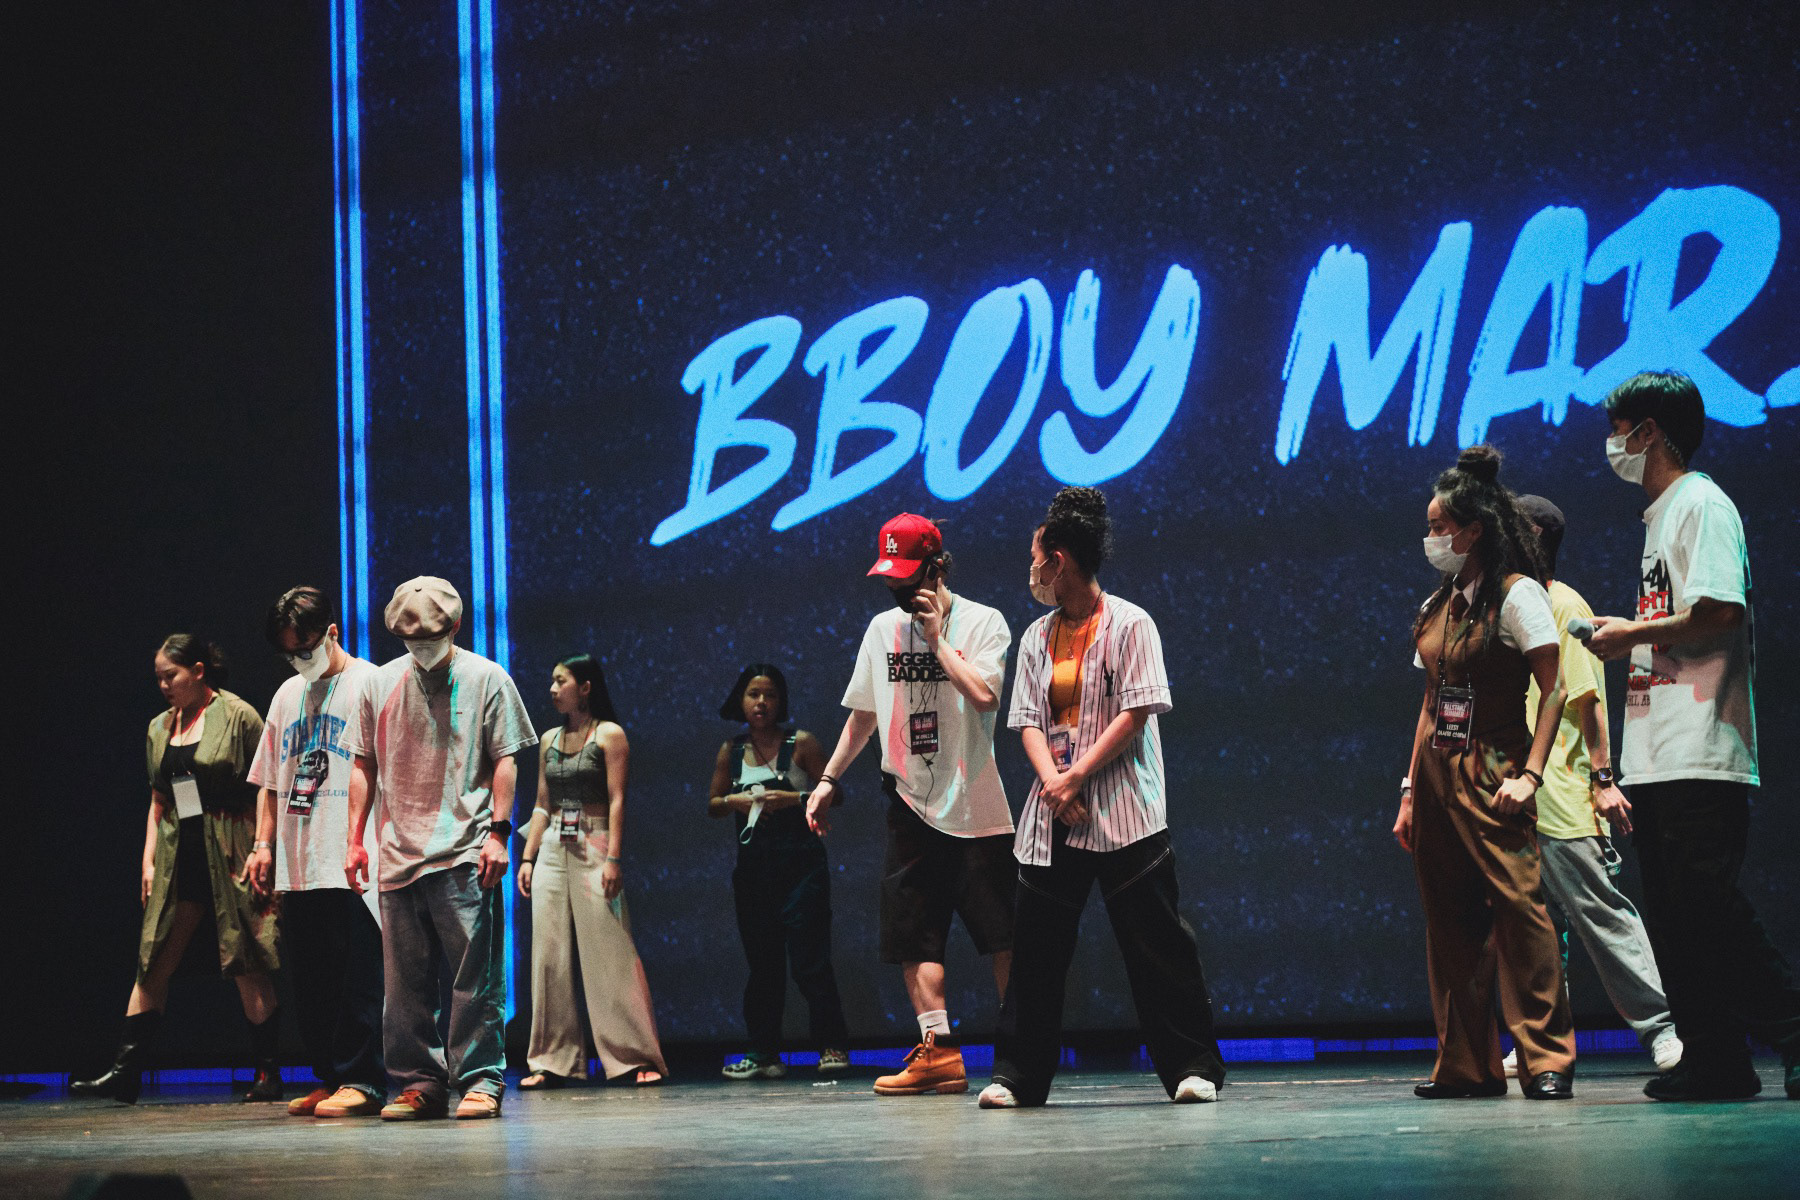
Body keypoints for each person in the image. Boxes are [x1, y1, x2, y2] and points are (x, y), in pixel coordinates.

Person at [1586, 370, 1800, 1101]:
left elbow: (1720, 611)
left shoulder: (1701, 504)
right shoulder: (1662, 516)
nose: (1612, 443)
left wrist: (1630, 635)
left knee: (1709, 907)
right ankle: (1715, 1058)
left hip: (1701, 747)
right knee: (1678, 918)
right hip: (1660, 750)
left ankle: (1794, 1031)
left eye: (1619, 429)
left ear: (1650, 432)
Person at [980, 487, 1226, 1108]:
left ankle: (1192, 1066)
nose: (1031, 569)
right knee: (1036, 950)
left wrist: (1078, 776)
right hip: (1054, 813)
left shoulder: (1131, 623)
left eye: (1035, 558)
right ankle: (1017, 1076)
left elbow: (1136, 712)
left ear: (1058, 560)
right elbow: (1026, 719)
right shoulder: (1036, 636)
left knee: (1158, 946)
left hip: (1124, 811)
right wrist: (1055, 783)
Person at [805, 513, 1015, 1096]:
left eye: (908, 576)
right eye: (890, 578)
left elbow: (984, 695)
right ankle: (938, 1051)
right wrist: (828, 779)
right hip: (908, 803)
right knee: (913, 935)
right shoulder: (881, 631)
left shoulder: (985, 622)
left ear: (937, 567)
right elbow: (865, 713)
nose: (898, 589)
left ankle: (1019, 1044)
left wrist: (938, 640)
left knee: (1004, 935)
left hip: (976, 806)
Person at [1393, 445, 1577, 1100]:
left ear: (1472, 531)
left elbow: (1554, 691)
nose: (1431, 538)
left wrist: (1531, 775)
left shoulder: (1518, 595)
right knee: (1449, 919)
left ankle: (1546, 1059)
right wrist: (1410, 790)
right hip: (1436, 773)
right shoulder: (1438, 603)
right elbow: (1429, 703)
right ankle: (1467, 1066)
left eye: (1440, 526)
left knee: (1520, 912)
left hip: (1495, 765)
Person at [1495, 498, 1679, 1078]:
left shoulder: (1563, 603)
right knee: (1537, 931)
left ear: (1532, 536)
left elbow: (1587, 699)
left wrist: (1603, 780)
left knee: (1599, 914)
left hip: (1560, 793)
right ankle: (1541, 1041)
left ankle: (1664, 1029)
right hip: (1514, 794)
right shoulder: (1508, 603)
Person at [344, 577, 537, 1120]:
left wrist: (499, 833)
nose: (421, 647)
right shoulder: (378, 683)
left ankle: (480, 1079)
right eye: (411, 640)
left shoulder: (487, 677)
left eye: (430, 638)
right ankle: (419, 1083)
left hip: (465, 846)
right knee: (404, 984)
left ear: (455, 626)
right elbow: (362, 763)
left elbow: (506, 757)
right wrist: (354, 840)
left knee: (474, 975)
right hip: (398, 849)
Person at [72, 636, 280, 1104]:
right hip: (179, 851)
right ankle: (125, 1074)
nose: (164, 685)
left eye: (172, 676)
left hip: (230, 846)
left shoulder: (238, 716)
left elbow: (267, 786)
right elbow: (159, 799)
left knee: (246, 957)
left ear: (199, 671)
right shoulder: (160, 726)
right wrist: (148, 860)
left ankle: (269, 1073)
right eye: (159, 678)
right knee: (155, 957)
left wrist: (263, 846)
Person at [243, 587, 388, 1117]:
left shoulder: (371, 683)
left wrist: (359, 839)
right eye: (289, 653)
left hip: (352, 856)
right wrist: (263, 845)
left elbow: (379, 767)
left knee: (357, 977)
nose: (299, 660)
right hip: (299, 860)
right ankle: (329, 1076)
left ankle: (364, 1080)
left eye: (304, 649)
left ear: (332, 632)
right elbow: (270, 780)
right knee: (312, 980)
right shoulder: (287, 695)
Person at [516, 654, 667, 1089]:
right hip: (552, 846)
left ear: (584, 687)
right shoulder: (549, 739)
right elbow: (542, 803)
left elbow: (618, 799)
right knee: (549, 955)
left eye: (560, 681)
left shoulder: (609, 734)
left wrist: (613, 858)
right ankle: (551, 1061)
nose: (552, 689)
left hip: (595, 842)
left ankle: (633, 1056)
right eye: (551, 680)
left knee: (610, 952)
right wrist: (527, 857)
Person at [710, 664, 850, 1080]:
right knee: (763, 965)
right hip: (754, 873)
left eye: (769, 695)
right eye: (753, 695)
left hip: (802, 869)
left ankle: (831, 1045)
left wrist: (794, 798)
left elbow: (837, 793)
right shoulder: (731, 750)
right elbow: (713, 804)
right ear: (741, 700)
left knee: (810, 961)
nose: (761, 703)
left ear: (781, 700)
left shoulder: (801, 743)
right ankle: (763, 1053)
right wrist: (735, 801)